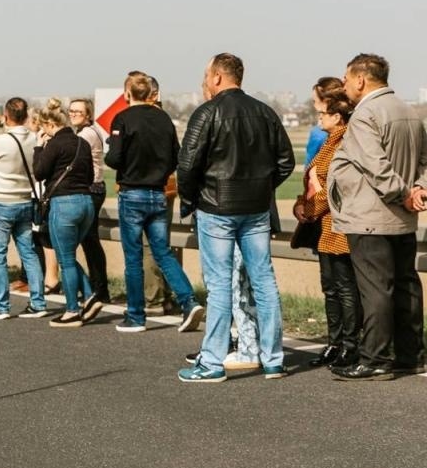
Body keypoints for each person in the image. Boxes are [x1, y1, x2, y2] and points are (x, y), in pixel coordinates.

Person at [176, 53, 295, 383]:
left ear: (216, 77)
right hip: (255, 210)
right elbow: (285, 161)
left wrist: (190, 200)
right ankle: (273, 359)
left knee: (219, 287)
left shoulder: (207, 113)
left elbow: (186, 166)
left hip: (216, 208)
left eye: (206, 76)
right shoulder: (265, 112)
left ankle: (212, 362)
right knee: (265, 282)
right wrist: (261, 188)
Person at [327, 53, 427, 381]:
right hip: (403, 216)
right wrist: (418, 190)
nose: (344, 85)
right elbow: (424, 161)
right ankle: (411, 355)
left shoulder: (365, 114)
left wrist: (402, 193)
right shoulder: (407, 110)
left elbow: (375, 164)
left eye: (346, 79)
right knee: (405, 283)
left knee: (375, 288)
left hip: (371, 214)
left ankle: (375, 359)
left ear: (360, 79)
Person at [105, 71, 202, 333]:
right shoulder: (164, 119)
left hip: (132, 193)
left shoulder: (122, 119)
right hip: (159, 193)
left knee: (134, 257)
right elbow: (176, 157)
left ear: (127, 94)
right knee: (162, 252)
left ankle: (136, 316)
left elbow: (113, 159)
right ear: (151, 93)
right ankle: (188, 301)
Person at [294, 85, 358, 368]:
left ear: (337, 117)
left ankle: (349, 344)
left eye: (322, 114)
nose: (318, 119)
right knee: (331, 288)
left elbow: (333, 186)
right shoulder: (330, 141)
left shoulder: (344, 142)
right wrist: (302, 203)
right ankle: (335, 342)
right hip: (325, 226)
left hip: (338, 225)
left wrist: (308, 209)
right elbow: (313, 181)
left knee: (344, 288)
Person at [0, 97, 47, 320]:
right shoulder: (34, 139)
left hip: (1, 204)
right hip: (24, 201)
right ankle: (38, 302)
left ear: (6, 117)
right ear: (25, 116)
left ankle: (2, 306)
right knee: (29, 253)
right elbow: (30, 132)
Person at [32, 99, 99, 326]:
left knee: (66, 259)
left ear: (50, 124)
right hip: (86, 203)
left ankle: (72, 310)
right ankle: (89, 297)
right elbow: (90, 177)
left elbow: (39, 172)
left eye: (43, 127)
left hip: (64, 205)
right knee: (68, 253)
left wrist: (39, 147)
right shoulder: (83, 143)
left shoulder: (54, 144)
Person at [67, 98, 111, 309]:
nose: (74, 114)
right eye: (71, 110)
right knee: (88, 240)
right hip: (94, 189)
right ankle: (97, 288)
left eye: (78, 111)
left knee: (89, 240)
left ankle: (98, 289)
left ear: (88, 115)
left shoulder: (86, 135)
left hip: (91, 189)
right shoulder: (86, 132)